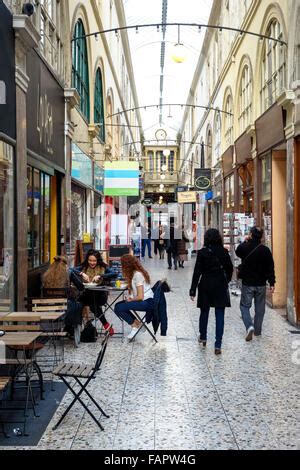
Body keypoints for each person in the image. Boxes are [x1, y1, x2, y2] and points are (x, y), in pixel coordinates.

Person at [189, 228, 233, 355]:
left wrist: (192, 290)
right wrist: (227, 281)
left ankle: (203, 336)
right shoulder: (224, 252)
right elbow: (230, 268)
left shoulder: (202, 253)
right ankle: (218, 345)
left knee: (204, 312)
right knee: (220, 314)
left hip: (205, 285)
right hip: (220, 285)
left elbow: (197, 272)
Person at [235, 226, 275, 341]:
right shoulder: (266, 250)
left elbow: (237, 252)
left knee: (244, 306)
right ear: (261, 237)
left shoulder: (245, 247)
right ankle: (257, 331)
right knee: (260, 308)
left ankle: (249, 326)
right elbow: (270, 268)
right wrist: (272, 283)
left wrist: (245, 240)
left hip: (248, 283)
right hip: (261, 284)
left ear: (251, 235)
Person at [73, 249, 115, 336]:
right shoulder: (84, 266)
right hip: (87, 294)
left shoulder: (103, 266)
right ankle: (78, 326)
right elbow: (71, 270)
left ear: (98, 260)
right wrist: (81, 273)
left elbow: (114, 274)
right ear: (87, 260)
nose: (92, 262)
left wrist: (101, 275)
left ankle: (103, 324)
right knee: (77, 303)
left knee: (92, 304)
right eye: (90, 260)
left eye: (94, 260)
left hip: (100, 295)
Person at [114, 254, 154, 340]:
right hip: (145, 300)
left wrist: (131, 299)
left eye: (122, 265)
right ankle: (138, 324)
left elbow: (140, 296)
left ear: (127, 266)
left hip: (146, 302)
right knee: (118, 306)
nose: (121, 267)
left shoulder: (138, 275)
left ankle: (135, 326)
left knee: (119, 308)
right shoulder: (135, 273)